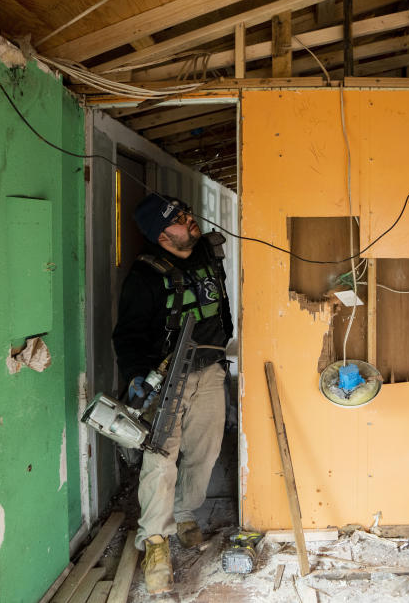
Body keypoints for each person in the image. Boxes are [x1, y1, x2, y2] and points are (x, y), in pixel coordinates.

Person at [113, 193, 233, 594]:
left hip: (210, 370)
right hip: (166, 379)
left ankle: (184, 512)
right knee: (160, 460)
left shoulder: (205, 257)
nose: (190, 220)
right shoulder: (144, 277)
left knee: (206, 451)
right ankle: (155, 543)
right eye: (180, 219)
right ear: (163, 235)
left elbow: (221, 310)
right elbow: (127, 335)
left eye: (186, 213)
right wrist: (135, 377)